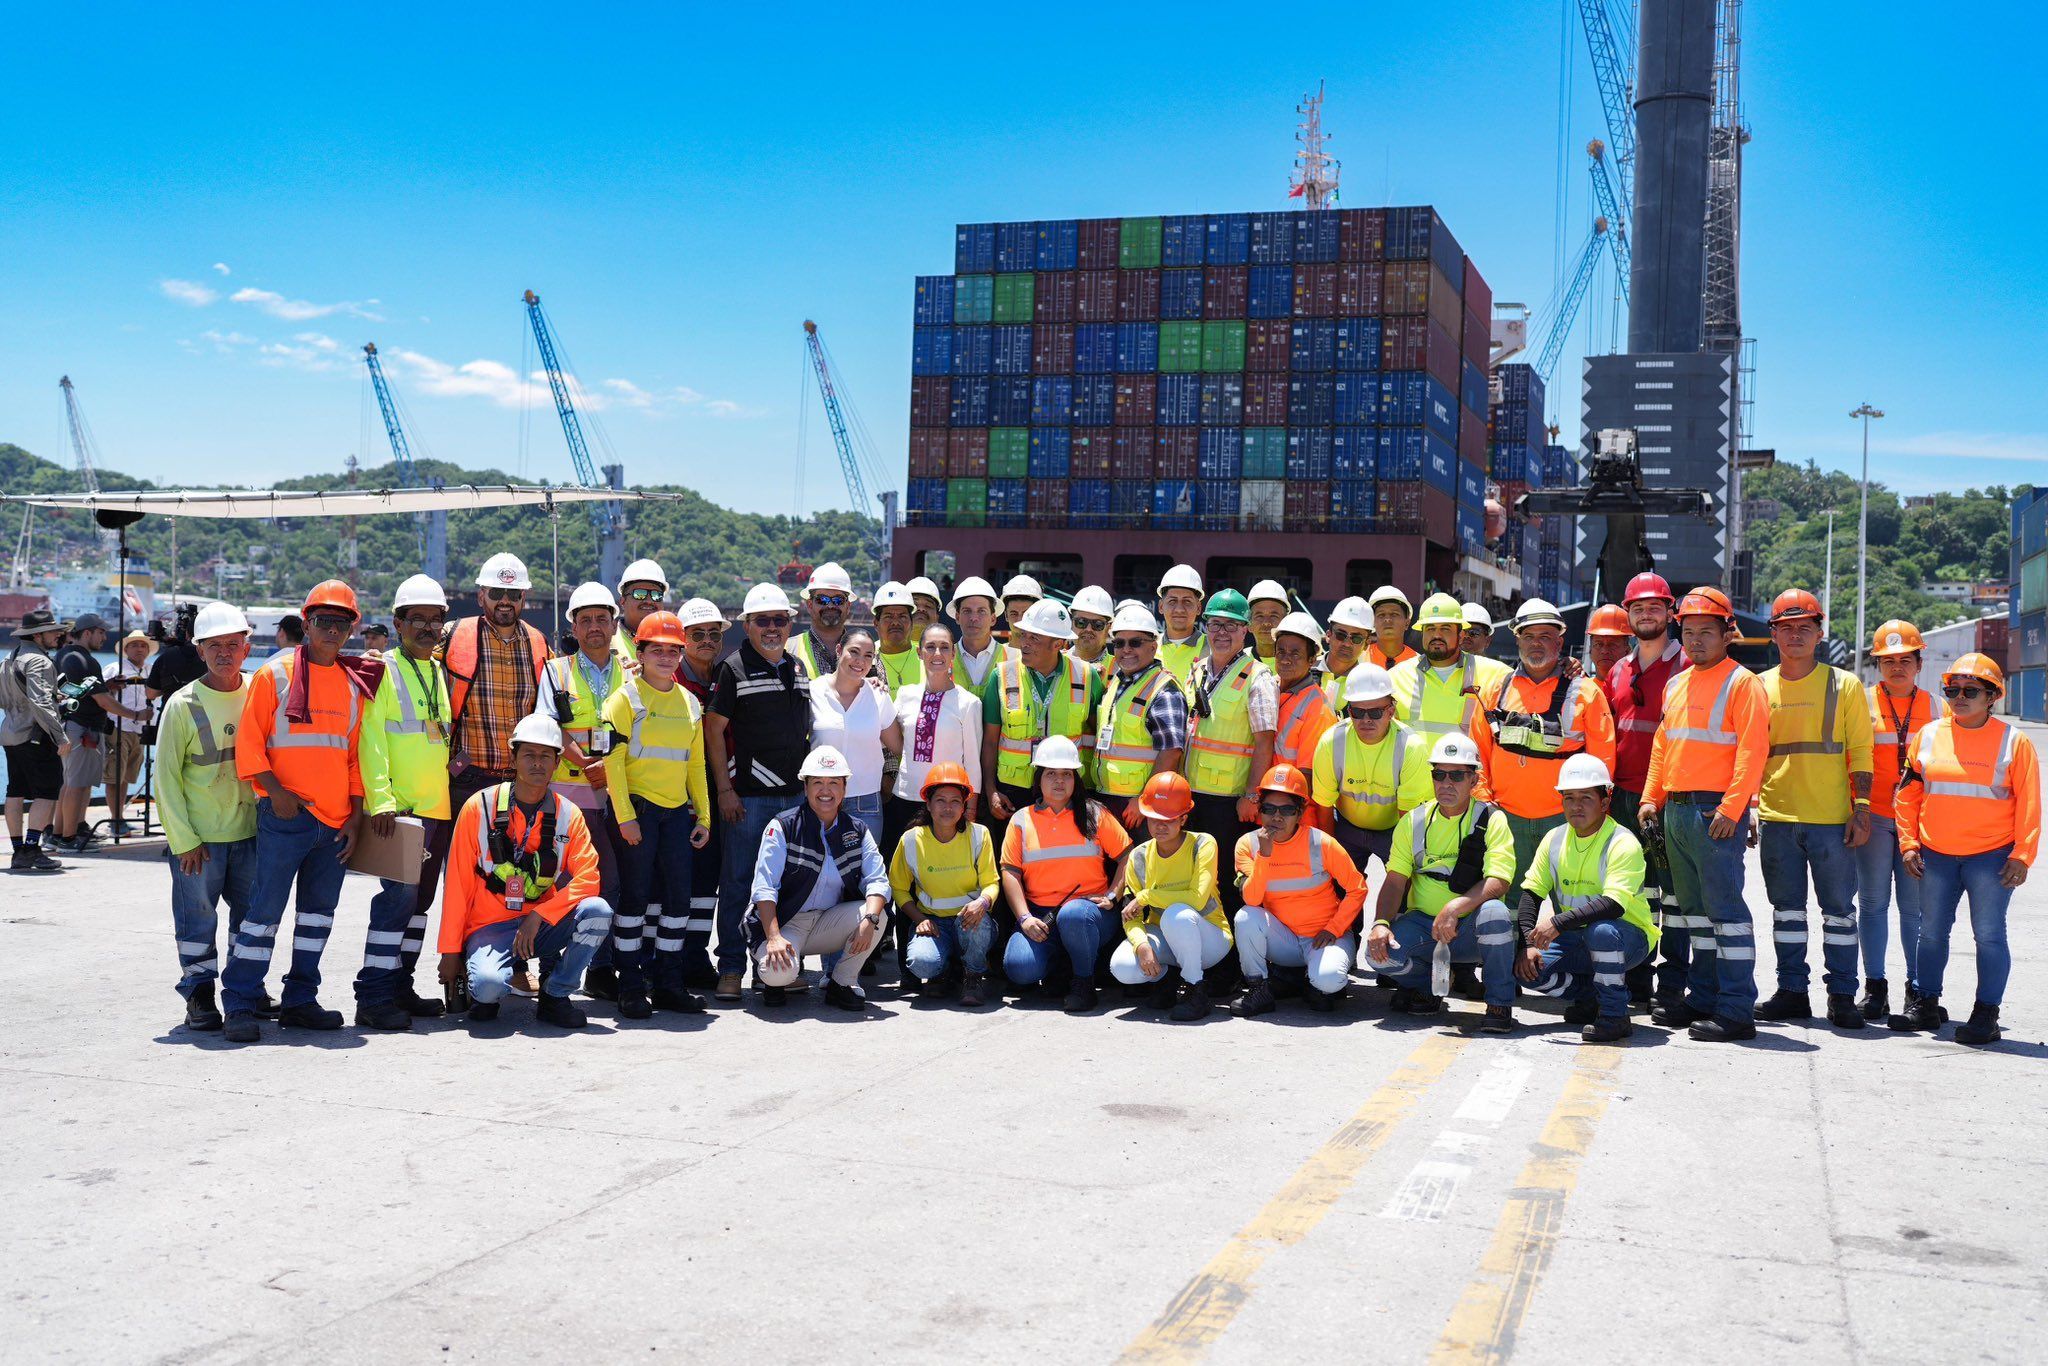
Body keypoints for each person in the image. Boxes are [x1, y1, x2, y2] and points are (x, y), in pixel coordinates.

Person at [220, 580, 370, 1043]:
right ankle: (241, 1003)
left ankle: (300, 1000)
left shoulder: (351, 683)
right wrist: (275, 793)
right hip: (286, 817)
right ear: (306, 623)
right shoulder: (276, 674)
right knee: (263, 913)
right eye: (323, 621)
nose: (332, 630)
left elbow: (353, 755)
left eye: (341, 623)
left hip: (334, 822)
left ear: (351, 629)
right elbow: (248, 746)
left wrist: (356, 815)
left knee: (317, 917)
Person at [1639, 586, 1771, 1042]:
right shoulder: (1677, 683)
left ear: (1726, 633)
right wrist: (1649, 798)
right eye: (1689, 632)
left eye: (1706, 633)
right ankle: (1703, 995)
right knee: (1695, 911)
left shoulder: (1743, 683)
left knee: (1726, 911)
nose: (1695, 641)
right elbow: (1663, 744)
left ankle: (1736, 1009)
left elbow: (1754, 752)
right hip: (1676, 810)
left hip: (1713, 811)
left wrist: (1734, 809)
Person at [1891, 653, 2039, 1045]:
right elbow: (1907, 796)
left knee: (1989, 935)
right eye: (1952, 690)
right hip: (1936, 854)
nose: (1959, 697)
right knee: (1932, 933)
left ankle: (1985, 1015)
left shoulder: (2015, 742)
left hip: (1991, 857)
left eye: (1970, 690)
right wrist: (1908, 843)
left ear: (1992, 696)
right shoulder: (1928, 735)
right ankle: (1926, 1004)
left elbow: (2029, 802)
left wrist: (2022, 855)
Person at [437, 713, 611, 1028]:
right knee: (488, 989)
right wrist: (450, 951)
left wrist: (540, 915)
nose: (537, 763)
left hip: (541, 926)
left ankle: (555, 995)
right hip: (490, 925)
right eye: (528, 754)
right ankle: (486, 983)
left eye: (546, 756)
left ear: (557, 762)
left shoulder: (568, 814)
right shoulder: (479, 807)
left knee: (597, 911)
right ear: (513, 757)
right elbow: (457, 884)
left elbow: (590, 878)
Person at [427, 552, 551, 985]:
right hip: (467, 778)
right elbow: (412, 661)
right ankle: (458, 964)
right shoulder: (453, 635)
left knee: (518, 877)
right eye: (496, 592)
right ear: (481, 595)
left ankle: (514, 964)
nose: (504, 601)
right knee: (462, 880)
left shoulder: (538, 643)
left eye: (513, 594)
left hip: (517, 785)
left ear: (524, 598)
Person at [1755, 589, 1875, 1030]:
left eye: (1804, 627)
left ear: (1820, 633)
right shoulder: (1759, 686)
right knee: (1786, 913)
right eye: (1786, 628)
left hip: (1831, 821)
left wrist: (1861, 809)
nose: (1795, 636)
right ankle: (1792, 992)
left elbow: (1861, 750)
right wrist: (1750, 807)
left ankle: (1843, 995)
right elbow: (1750, 754)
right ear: (1773, 635)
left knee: (1839, 912)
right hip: (1777, 817)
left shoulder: (1845, 685)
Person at [155, 602, 267, 1030]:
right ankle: (200, 994)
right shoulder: (182, 705)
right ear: (199, 651)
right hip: (199, 842)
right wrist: (184, 841)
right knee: (197, 921)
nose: (224, 653)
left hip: (252, 835)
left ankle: (245, 989)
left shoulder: (259, 691)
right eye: (214, 645)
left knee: (250, 920)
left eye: (233, 645)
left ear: (246, 647)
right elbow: (165, 779)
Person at [353, 574, 456, 1030]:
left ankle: (400, 985)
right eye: (418, 620)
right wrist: (381, 801)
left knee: (419, 904)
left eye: (436, 620)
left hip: (436, 809)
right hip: (402, 811)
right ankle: (373, 994)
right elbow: (371, 739)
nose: (428, 628)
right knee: (396, 902)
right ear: (398, 624)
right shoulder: (383, 670)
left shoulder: (437, 670)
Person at [602, 610, 713, 1018]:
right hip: (639, 812)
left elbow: (695, 765)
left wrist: (703, 816)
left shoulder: (689, 703)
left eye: (673, 651)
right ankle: (630, 986)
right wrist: (625, 817)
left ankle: (668, 983)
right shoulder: (624, 699)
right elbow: (611, 763)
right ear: (641, 651)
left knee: (677, 903)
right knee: (633, 901)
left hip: (676, 816)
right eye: (657, 650)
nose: (666, 657)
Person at [1364, 733, 1518, 1026]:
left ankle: (1499, 1003)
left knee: (1496, 912)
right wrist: (1380, 924)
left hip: (1470, 927)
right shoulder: (1414, 820)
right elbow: (1395, 880)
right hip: (1424, 924)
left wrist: (1454, 909)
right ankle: (1428, 987)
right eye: (1439, 774)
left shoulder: (1492, 819)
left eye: (1457, 775)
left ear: (1474, 781)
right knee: (1378, 957)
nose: (1446, 783)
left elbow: (1499, 880)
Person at [705, 583, 812, 1001]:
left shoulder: (797, 668)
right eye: (762, 621)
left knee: (783, 886)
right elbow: (713, 732)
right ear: (746, 626)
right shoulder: (731, 669)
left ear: (789, 623)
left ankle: (772, 967)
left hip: (794, 798)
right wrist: (725, 790)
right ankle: (730, 966)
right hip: (748, 798)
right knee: (737, 883)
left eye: (779, 620)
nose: (772, 628)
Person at [1513, 754, 1659, 1042]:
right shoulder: (1554, 838)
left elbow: (1613, 905)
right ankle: (1592, 996)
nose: (1576, 806)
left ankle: (1615, 1015)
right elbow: (1530, 894)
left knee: (1602, 932)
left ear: (1605, 801)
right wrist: (1528, 943)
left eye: (1586, 798)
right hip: (1576, 936)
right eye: (1569, 798)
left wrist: (1557, 922)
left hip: (1626, 939)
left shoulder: (1622, 841)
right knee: (1526, 970)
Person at [1470, 599, 1617, 880]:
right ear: (1518, 642)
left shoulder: (1586, 692)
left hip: (1567, 820)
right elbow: (1479, 752)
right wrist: (1485, 804)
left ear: (1559, 644)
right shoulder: (1495, 691)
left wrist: (1595, 812)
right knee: (1508, 910)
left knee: (1573, 905)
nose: (1536, 644)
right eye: (1529, 637)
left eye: (1545, 637)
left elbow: (1603, 759)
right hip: (1506, 818)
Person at [747, 745, 891, 1010]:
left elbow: (878, 881)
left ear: (844, 789)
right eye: (818, 783)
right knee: (778, 973)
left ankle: (842, 983)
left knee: (877, 914)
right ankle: (773, 979)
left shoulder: (857, 830)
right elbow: (764, 888)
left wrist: (869, 919)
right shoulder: (782, 825)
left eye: (834, 783)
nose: (826, 791)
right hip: (786, 922)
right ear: (806, 788)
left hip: (828, 920)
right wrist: (775, 937)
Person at [1602, 572, 1688, 1009]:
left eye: (1655, 607)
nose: (1647, 614)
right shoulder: (1619, 670)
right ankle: (1637, 978)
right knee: (1632, 892)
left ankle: (1673, 985)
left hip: (1669, 797)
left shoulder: (1688, 666)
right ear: (1628, 615)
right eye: (1638, 608)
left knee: (1672, 896)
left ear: (1671, 612)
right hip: (1622, 798)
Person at [998, 735, 1133, 1011]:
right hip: (1040, 914)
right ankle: (1060, 969)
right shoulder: (1022, 820)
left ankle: (1083, 983)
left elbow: (1129, 856)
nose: (1059, 781)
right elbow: (1010, 872)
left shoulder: (1094, 813)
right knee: (1019, 968)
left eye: (1066, 775)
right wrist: (1024, 919)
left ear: (1076, 779)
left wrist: (1113, 894)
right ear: (1039, 779)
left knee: (1073, 915)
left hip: (1088, 914)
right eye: (1051, 774)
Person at [1231, 764, 1368, 1016]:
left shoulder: (1321, 842)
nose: (1277, 817)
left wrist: (1334, 928)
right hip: (1284, 941)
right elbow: (1252, 898)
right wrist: (1265, 855)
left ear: (1301, 812)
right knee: (1245, 917)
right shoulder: (1248, 845)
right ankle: (1258, 989)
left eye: (1287, 810)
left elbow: (1357, 888)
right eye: (1269, 809)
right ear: (1259, 810)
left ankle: (1313, 982)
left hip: (1325, 937)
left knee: (1328, 980)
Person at [1858, 620, 1943, 1023]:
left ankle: (1916, 989)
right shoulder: (1862, 703)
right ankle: (1875, 988)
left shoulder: (1936, 707)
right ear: (1878, 665)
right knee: (1873, 905)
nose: (1896, 668)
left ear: (1918, 663)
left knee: (1913, 910)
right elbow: (1852, 761)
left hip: (1917, 823)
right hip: (1874, 817)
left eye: (1904, 660)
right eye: (1888, 661)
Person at [535, 582, 629, 927]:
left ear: (614, 624)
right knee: (565, 881)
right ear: (574, 627)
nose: (594, 626)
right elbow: (548, 726)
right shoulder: (556, 671)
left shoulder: (632, 673)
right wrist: (589, 764)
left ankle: (603, 966)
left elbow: (642, 730)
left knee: (613, 882)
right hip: (571, 795)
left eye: (601, 618)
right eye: (585, 619)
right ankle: (552, 965)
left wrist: (609, 766)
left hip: (620, 794)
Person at [1109, 771, 1230, 1021]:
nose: (1160, 825)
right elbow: (1130, 915)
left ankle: (1195, 990)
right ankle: (1169, 979)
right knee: (1123, 967)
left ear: (1184, 818)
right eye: (1154, 818)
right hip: (1167, 937)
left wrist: (1147, 896)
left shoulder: (1203, 844)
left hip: (1211, 938)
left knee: (1178, 914)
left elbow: (1197, 900)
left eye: (1169, 819)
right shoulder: (1139, 856)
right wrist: (1141, 944)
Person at [1183, 590, 1276, 891]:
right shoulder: (1197, 670)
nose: (1222, 632)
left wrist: (1251, 796)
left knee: (1223, 879)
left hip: (1228, 800)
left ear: (1245, 629)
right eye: (1215, 624)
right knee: (1193, 875)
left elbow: (1265, 741)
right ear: (1206, 626)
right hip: (1192, 795)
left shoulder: (1258, 677)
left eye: (1231, 625)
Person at [983, 598, 1101, 824]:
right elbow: (989, 741)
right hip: (1013, 793)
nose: (1024, 643)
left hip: (1065, 794)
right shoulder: (1001, 677)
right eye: (1024, 634)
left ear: (1058, 644)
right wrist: (991, 791)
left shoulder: (1087, 677)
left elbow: (1096, 737)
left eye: (1034, 637)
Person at [892, 762, 999, 1005]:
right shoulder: (911, 840)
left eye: (955, 801)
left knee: (979, 922)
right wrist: (920, 920)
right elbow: (898, 888)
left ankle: (972, 976)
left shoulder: (978, 834)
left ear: (964, 806)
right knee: (921, 963)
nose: (948, 808)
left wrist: (982, 903)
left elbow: (992, 883)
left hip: (970, 920)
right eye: (940, 800)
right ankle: (941, 974)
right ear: (928, 804)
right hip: (933, 922)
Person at [1312, 664, 1432, 877]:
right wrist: (1329, 857)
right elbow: (1323, 806)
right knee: (1337, 890)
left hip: (1395, 831)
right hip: (1346, 827)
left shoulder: (1410, 747)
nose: (1366, 720)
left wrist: (1402, 871)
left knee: (1403, 890)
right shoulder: (1331, 742)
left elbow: (1409, 817)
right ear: (1349, 711)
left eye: (1375, 712)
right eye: (1358, 712)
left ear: (1391, 711)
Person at [670, 597, 728, 988]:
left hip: (716, 791)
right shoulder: (667, 678)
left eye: (713, 634)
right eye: (697, 634)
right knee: (675, 881)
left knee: (707, 883)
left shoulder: (726, 676)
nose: (706, 640)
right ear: (683, 638)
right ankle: (669, 959)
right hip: (675, 794)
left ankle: (695, 955)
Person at [1093, 603, 1188, 829]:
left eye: (1135, 642)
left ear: (1153, 647)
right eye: (1119, 643)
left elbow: (1172, 752)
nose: (1126, 649)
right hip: (1109, 798)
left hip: (1139, 806)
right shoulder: (1117, 682)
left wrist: (1145, 799)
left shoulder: (1165, 690)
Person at [809, 627, 902, 846]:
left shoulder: (878, 696)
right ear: (839, 650)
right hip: (820, 799)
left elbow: (900, 748)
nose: (860, 660)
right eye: (854, 652)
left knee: (864, 875)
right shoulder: (813, 691)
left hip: (866, 802)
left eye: (868, 655)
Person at [892, 623, 984, 838]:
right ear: (919, 652)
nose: (937, 653)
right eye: (930, 647)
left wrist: (970, 809)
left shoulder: (968, 703)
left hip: (948, 805)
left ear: (953, 653)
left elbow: (972, 761)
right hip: (905, 797)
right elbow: (889, 737)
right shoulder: (905, 695)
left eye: (944, 647)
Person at [2, 609, 74, 874]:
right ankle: (33, 849)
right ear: (38, 634)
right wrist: (60, 735)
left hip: (10, 733)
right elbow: (40, 700)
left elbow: (5, 699)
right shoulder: (40, 661)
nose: (59, 635)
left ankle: (18, 850)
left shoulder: (9, 658)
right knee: (47, 792)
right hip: (36, 735)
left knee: (15, 790)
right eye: (54, 631)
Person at [54, 612, 126, 850]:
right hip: (82, 728)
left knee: (73, 782)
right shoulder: (86, 661)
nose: (104, 637)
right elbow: (103, 701)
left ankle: (64, 831)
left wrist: (107, 686)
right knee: (76, 785)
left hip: (71, 726)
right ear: (87, 633)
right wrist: (136, 715)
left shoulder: (64, 655)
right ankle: (68, 838)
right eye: (101, 632)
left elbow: (80, 690)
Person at [1388, 592, 1490, 742]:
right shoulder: (1395, 677)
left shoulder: (1493, 674)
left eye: (1445, 628)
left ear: (1461, 635)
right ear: (1422, 633)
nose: (1437, 635)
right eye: (1430, 628)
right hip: (1413, 766)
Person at [1269, 612, 1339, 828]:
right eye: (1280, 651)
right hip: (1268, 807)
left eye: (1295, 653)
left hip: (1294, 816)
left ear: (1312, 660)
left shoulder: (1317, 707)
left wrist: (1283, 815)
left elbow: (1307, 777)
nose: (1286, 658)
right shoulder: (1270, 688)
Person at [106, 630, 158, 835]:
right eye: (135, 645)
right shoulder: (114, 668)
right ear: (126, 649)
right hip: (119, 727)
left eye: (143, 645)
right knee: (114, 776)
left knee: (126, 775)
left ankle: (118, 817)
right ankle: (114, 819)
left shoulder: (150, 670)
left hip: (141, 730)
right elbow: (100, 693)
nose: (139, 649)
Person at [788, 562, 855, 678]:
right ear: (809, 605)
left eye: (838, 600)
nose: (830, 605)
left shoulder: (865, 652)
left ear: (848, 606)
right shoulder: (787, 650)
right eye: (822, 600)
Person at [948, 576, 1007, 689]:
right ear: (957, 617)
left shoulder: (1014, 657)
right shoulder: (943, 658)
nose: (974, 618)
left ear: (993, 619)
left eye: (981, 611)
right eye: (967, 611)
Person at [1155, 564, 1206, 687]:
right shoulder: (1148, 648)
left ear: (1198, 608)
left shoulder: (1212, 649)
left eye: (1187, 602)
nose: (1179, 609)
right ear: (1161, 606)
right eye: (1172, 601)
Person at [1320, 596, 1373, 710]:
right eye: (1341, 635)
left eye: (1356, 638)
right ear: (1328, 635)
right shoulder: (1304, 670)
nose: (1347, 643)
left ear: (1367, 644)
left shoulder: (1370, 683)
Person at [613, 558, 670, 660]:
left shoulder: (673, 642)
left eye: (656, 595)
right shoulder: (607, 642)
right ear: (622, 601)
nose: (649, 600)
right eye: (639, 594)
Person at [873, 582, 924, 695]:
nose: (895, 622)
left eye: (902, 616)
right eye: (888, 617)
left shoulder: (927, 659)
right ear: (876, 623)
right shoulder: (866, 660)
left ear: (912, 622)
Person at [1364, 586, 1418, 670]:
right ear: (1372, 622)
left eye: (1394, 614)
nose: (1387, 620)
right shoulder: (1358, 659)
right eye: (1381, 615)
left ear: (1407, 623)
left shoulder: (1419, 664)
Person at [1068, 584, 1116, 669]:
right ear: (1071, 623)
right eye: (1081, 622)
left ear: (1108, 628)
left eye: (1097, 624)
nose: (1088, 629)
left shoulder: (1120, 672)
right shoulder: (1053, 664)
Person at [1247, 580, 1290, 664]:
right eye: (1259, 616)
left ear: (1286, 622)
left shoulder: (1301, 664)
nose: (1266, 622)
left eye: (1274, 616)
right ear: (1249, 624)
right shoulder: (1236, 661)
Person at [1585, 605, 1631, 681]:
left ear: (1627, 651)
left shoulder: (1638, 690)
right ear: (1590, 650)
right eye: (1598, 644)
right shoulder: (1577, 689)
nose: (1604, 651)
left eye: (1612, 645)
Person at [999, 573, 1043, 639]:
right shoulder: (994, 649)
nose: (1019, 620)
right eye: (1014, 614)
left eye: (1026, 614)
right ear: (1006, 615)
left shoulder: (1052, 649)